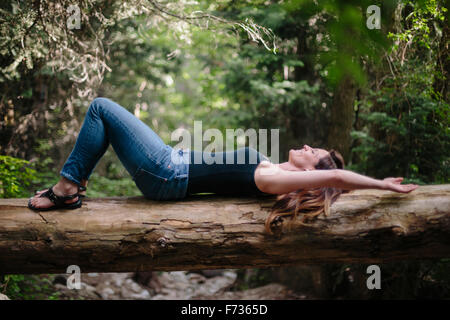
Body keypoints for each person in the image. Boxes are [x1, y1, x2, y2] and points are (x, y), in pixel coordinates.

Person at [28, 98, 418, 229]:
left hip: (166, 170)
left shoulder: (273, 178)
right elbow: (328, 173)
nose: (305, 145)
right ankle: (69, 187)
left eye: (311, 150)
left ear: (313, 170)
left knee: (101, 108)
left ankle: (66, 189)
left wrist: (381, 185)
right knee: (104, 112)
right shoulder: (273, 171)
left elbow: (333, 175)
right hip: (168, 163)